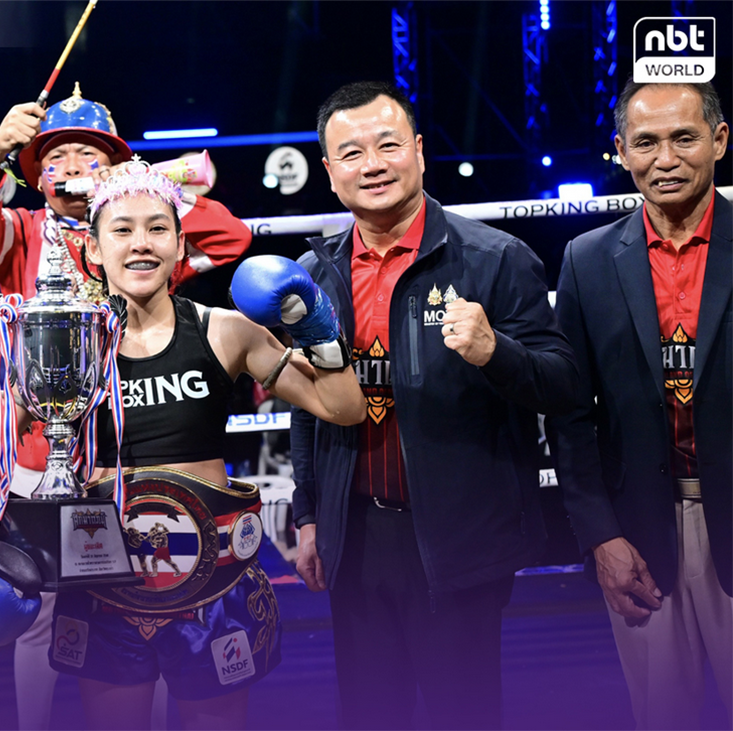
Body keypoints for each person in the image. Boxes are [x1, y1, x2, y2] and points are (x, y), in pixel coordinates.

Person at [0, 158, 367, 730]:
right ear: (93, 249)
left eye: (157, 228)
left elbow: (343, 408)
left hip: (214, 582)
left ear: (179, 244)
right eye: (122, 229)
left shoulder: (225, 331)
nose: (141, 243)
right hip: (105, 585)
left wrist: (318, 326)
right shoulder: (65, 346)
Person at [0, 83, 253, 731]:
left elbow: (230, 236)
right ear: (36, 178)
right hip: (39, 452)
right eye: (54, 159)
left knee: (158, 609)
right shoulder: (24, 230)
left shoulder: (139, 241)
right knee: (36, 617)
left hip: (132, 458)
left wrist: (141, 188)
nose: (70, 170)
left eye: (89, 157)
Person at [289, 81, 578, 731]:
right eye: (352, 153)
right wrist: (309, 516)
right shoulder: (315, 274)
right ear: (330, 172)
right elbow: (308, 406)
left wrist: (495, 351)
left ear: (419, 152)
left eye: (388, 145)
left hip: (458, 540)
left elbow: (562, 385)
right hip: (355, 538)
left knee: (464, 714)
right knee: (368, 716)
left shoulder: (496, 259)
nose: (373, 164)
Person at [547, 80, 733, 731]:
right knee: (662, 717)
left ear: (719, 140)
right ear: (622, 150)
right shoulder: (587, 260)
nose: (666, 159)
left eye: (684, 138)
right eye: (647, 142)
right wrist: (600, 535)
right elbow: (570, 416)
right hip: (641, 532)